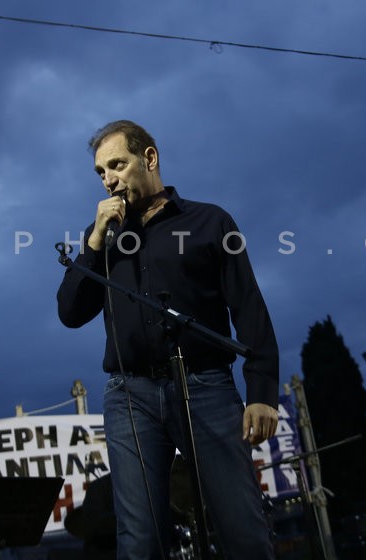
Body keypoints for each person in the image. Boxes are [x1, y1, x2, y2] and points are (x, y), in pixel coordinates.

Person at [57, 120, 279, 560]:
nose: (109, 179)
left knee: (244, 531)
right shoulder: (101, 237)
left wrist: (262, 392)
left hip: (206, 386)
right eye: (101, 172)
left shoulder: (210, 221)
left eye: (117, 165)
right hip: (130, 395)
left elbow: (249, 306)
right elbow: (70, 313)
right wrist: (96, 241)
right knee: (139, 542)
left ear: (150, 158)